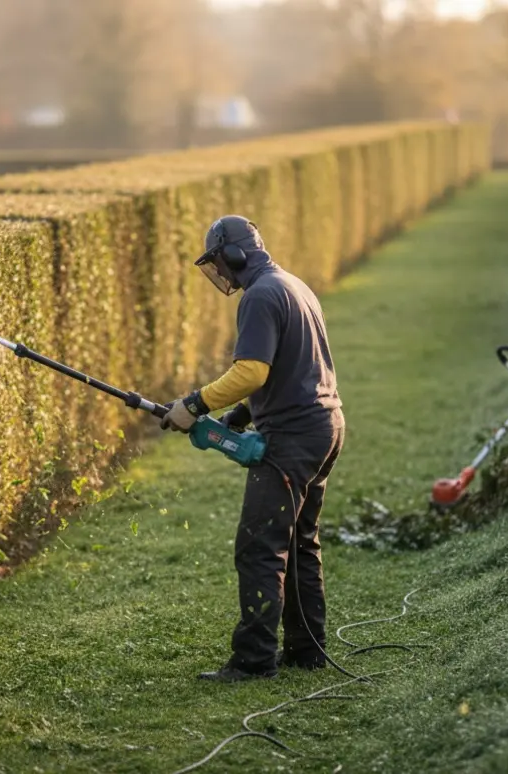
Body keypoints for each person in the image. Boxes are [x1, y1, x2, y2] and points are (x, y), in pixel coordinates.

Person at [161, 215, 345, 683]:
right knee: (299, 542)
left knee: (259, 547)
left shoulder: (260, 296)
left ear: (234, 254)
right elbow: (291, 365)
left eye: (218, 262)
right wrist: (241, 416)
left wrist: (192, 405)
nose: (219, 272)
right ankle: (307, 650)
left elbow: (252, 372)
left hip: (293, 437)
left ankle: (254, 660)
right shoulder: (294, 286)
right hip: (326, 427)